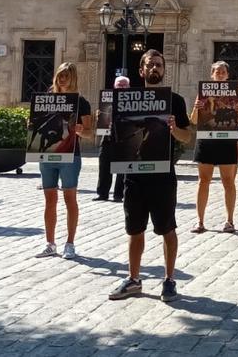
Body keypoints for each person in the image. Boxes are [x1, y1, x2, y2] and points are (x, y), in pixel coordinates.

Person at [109, 49, 192, 303]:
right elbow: (113, 133)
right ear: (141, 70)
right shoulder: (125, 99)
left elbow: (188, 137)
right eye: (150, 65)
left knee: (167, 227)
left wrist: (174, 129)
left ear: (164, 69)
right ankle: (134, 279)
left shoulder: (175, 101)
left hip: (163, 174)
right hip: (134, 173)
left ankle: (169, 280)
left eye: (159, 65)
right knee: (134, 229)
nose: (154, 68)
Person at [33, 62, 94, 259]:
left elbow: (90, 133)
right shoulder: (45, 100)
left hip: (70, 155)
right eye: (60, 75)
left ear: (73, 78)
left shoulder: (81, 102)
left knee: (70, 199)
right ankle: (50, 243)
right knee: (49, 199)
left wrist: (80, 131)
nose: (62, 79)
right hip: (48, 155)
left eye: (66, 75)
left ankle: (70, 243)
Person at [191, 61, 238, 234]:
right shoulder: (203, 93)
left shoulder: (234, 94)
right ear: (211, 74)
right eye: (217, 72)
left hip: (226, 141)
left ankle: (229, 221)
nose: (220, 74)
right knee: (203, 181)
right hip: (206, 140)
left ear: (227, 75)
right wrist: (197, 108)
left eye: (223, 72)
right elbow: (194, 121)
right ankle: (200, 221)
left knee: (228, 181)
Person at [95, 75, 131, 202]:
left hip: (124, 139)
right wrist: (99, 118)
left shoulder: (132, 102)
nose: (121, 87)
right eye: (119, 85)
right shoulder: (107, 101)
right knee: (104, 165)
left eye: (124, 85)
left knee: (122, 168)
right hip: (107, 138)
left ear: (128, 87)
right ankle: (102, 193)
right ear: (114, 86)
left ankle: (118, 195)